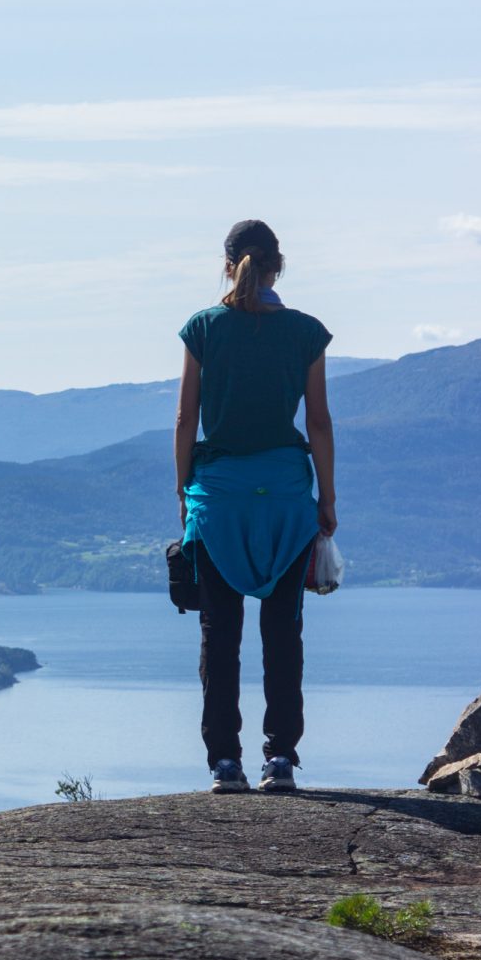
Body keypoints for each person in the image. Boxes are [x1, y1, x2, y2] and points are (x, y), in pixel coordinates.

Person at [174, 219, 336, 794]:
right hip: (287, 502)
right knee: (283, 634)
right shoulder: (306, 333)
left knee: (220, 635)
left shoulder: (203, 329)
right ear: (278, 265)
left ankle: (225, 765)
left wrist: (182, 491)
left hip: (218, 500)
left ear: (228, 264)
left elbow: (185, 418)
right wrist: (328, 500)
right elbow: (316, 421)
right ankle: (281, 760)